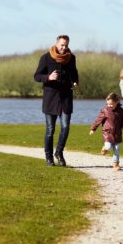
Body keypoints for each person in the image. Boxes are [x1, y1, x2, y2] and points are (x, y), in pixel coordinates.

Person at [34, 35, 79, 167]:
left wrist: (76, 82)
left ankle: (59, 153)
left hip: (66, 98)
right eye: (62, 45)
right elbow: (36, 76)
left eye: (66, 45)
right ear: (56, 44)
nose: (64, 48)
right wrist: (49, 77)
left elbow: (75, 74)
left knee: (65, 127)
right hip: (51, 98)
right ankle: (48, 157)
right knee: (50, 129)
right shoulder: (46, 57)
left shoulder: (71, 58)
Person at [89, 92, 123, 171]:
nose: (109, 106)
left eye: (111, 104)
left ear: (117, 102)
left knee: (117, 149)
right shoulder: (105, 110)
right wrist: (93, 128)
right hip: (107, 133)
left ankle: (115, 164)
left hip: (117, 133)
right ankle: (105, 148)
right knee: (109, 147)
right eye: (108, 104)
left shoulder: (121, 111)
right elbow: (98, 120)